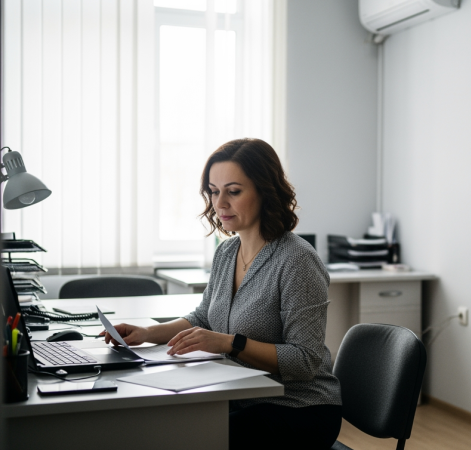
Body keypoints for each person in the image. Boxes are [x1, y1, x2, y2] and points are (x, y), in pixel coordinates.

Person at [102, 138, 342, 449]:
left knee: (183, 437)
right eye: (214, 192)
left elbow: (304, 361)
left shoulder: (296, 260)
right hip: (241, 397)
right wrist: (147, 333)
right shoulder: (228, 252)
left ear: (266, 191)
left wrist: (230, 343)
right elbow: (203, 317)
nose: (220, 204)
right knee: (159, 424)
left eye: (234, 191)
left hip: (298, 408)